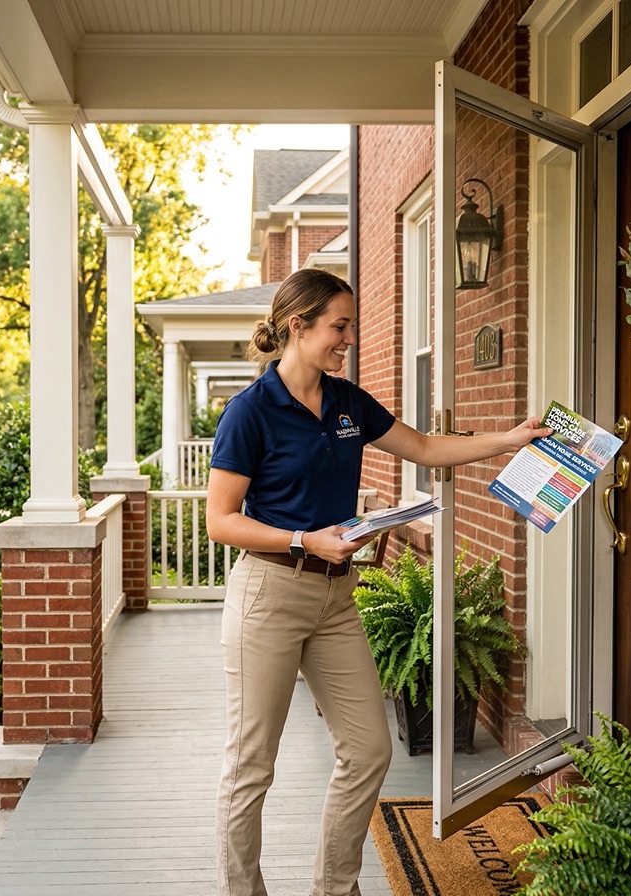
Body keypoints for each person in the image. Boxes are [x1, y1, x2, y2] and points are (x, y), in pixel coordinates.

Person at [205, 267, 551, 896]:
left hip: (335, 598)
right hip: (269, 595)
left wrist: (511, 438)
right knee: (251, 766)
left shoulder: (347, 402)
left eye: (349, 328)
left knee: (368, 751)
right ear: (297, 325)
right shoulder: (250, 414)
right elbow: (220, 521)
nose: (347, 340)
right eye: (338, 327)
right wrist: (302, 539)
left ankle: (334, 888)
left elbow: (423, 448)